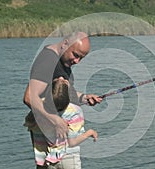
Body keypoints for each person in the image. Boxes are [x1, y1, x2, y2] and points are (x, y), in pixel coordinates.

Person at [23, 32, 102, 168]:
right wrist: (55, 120)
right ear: (65, 43)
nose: (77, 61)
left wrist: (84, 97)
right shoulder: (47, 61)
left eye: (81, 58)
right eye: (76, 55)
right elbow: (29, 97)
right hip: (55, 146)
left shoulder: (62, 60)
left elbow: (63, 92)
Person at [46, 77, 98, 169]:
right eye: (62, 80)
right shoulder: (75, 111)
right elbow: (72, 142)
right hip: (69, 158)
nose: (61, 77)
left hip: (49, 158)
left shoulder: (43, 109)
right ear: (69, 95)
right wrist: (90, 133)